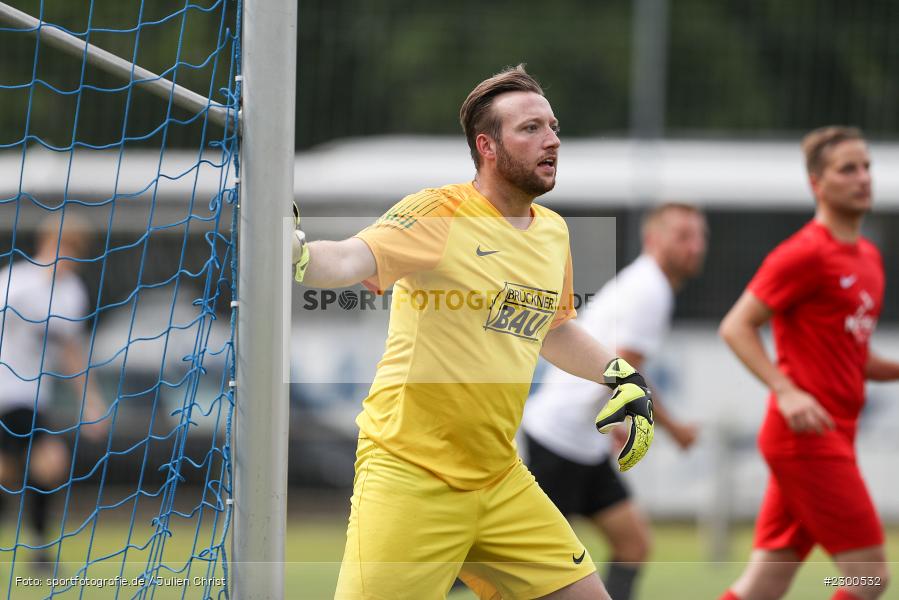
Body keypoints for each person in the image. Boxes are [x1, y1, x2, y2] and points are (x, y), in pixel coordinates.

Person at [291, 65, 657, 599]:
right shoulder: (440, 211)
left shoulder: (552, 231)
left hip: (500, 478)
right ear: (487, 145)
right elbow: (349, 257)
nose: (551, 139)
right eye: (530, 129)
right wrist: (297, 253)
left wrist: (621, 376)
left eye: (552, 126)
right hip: (410, 474)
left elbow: (553, 329)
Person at [718, 126, 896, 600]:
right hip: (807, 439)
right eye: (847, 169)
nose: (863, 178)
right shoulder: (804, 254)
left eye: (867, 167)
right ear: (817, 183)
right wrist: (786, 389)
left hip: (834, 433)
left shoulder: (869, 259)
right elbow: (736, 326)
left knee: (763, 586)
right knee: (868, 576)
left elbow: (855, 357)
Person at [521, 202, 706, 600]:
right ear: (653, 239)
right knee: (520, 565)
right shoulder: (650, 290)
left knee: (633, 544)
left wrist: (614, 423)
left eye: (700, 237)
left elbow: (623, 370)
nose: (696, 246)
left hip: (582, 444)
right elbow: (626, 375)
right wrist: (672, 430)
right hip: (560, 440)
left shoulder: (647, 284)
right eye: (684, 236)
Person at [0, 214, 106, 565]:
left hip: (33, 396)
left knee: (35, 468)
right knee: (35, 466)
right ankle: (40, 551)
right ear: (46, 243)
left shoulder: (72, 294)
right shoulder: (15, 282)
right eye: (63, 247)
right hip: (4, 392)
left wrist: (91, 402)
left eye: (75, 252)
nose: (68, 258)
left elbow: (70, 352)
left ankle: (40, 550)